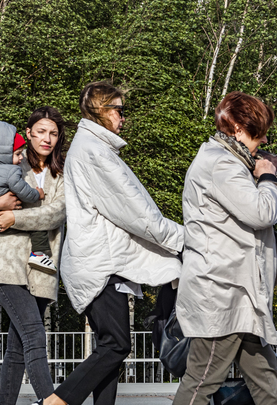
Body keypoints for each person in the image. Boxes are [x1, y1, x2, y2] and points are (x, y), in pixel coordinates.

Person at [39, 81, 184, 405]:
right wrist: (185, 239)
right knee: (116, 345)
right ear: (100, 111)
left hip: (100, 262)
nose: (123, 117)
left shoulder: (92, 148)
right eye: (118, 109)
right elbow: (138, 213)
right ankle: (56, 402)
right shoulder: (94, 153)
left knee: (111, 347)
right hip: (98, 265)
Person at [173, 91, 277, 405]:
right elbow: (261, 212)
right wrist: (270, 179)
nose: (262, 140)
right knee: (201, 382)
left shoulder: (227, 161)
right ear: (237, 127)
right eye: (257, 132)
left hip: (240, 295)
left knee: (267, 382)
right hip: (223, 293)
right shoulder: (221, 164)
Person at [0, 106, 67, 405]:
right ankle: (50, 401)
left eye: (54, 133)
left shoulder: (63, 173)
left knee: (18, 345)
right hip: (4, 263)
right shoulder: (7, 161)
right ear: (28, 133)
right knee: (34, 333)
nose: (47, 139)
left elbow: (56, 213)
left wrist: (15, 218)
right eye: (41, 131)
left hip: (43, 270)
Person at [0, 120, 57, 275]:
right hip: (7, 217)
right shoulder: (12, 172)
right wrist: (37, 194)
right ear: (6, 153)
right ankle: (39, 254)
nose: (21, 158)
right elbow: (24, 192)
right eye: (18, 154)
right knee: (36, 224)